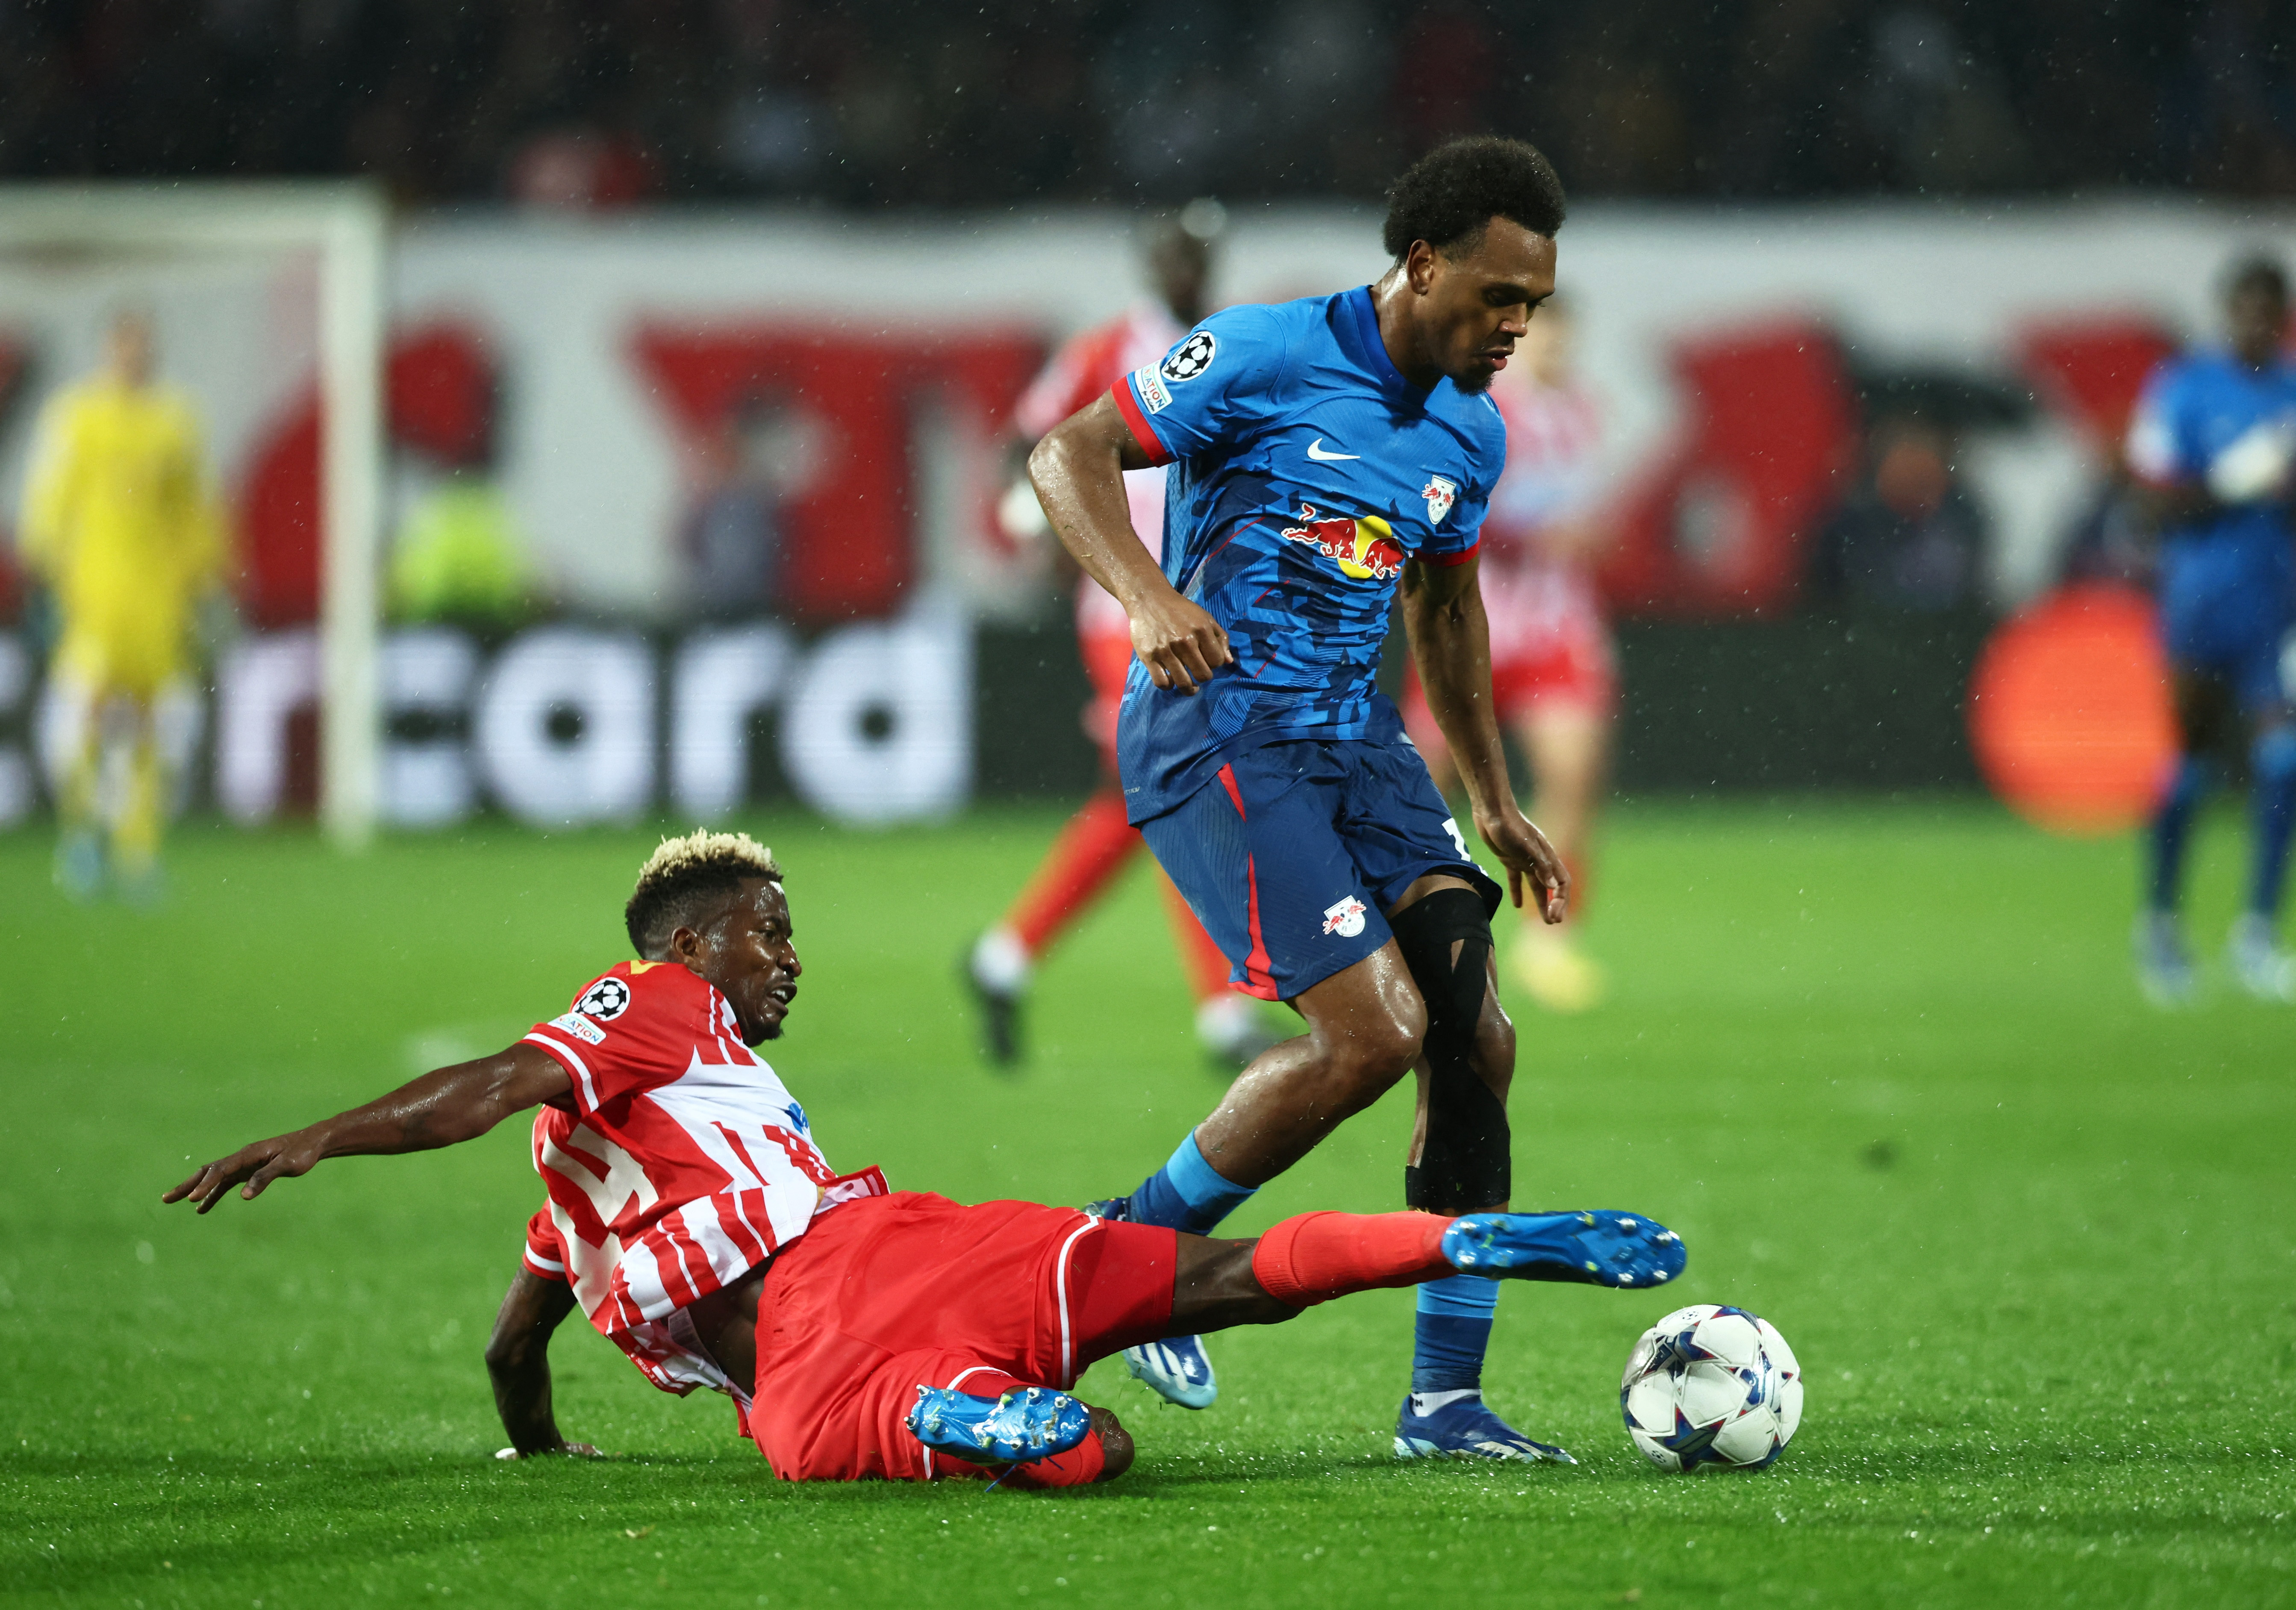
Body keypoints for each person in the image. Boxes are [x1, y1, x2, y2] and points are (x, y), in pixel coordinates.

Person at [163, 829, 1686, 1486]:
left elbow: (515, 1351)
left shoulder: (584, 1211)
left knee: (1096, 1453)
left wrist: (542, 1452)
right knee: (1226, 1286)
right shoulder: (658, 1003)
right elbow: (496, 1078)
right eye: (772, 928)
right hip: (888, 1250)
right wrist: (327, 1133)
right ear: (693, 943)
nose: (789, 958)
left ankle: (972, 1416)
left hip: (817, 1393)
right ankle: (1456, 1238)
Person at [1028, 137, 1585, 1460]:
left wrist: (1495, 797)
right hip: (1217, 732)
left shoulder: (1470, 426)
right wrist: (1148, 597)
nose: (1514, 326)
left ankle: (1444, 1403)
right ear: (1422, 261)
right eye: (1497, 296)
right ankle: (1130, 1251)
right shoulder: (1264, 352)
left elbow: (1445, 608)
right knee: (1370, 1035)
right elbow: (1069, 452)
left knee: (1476, 1038)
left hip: (1355, 744)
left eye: (1535, 305)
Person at [965, 201, 1279, 1073]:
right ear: (1151, 263)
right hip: (1126, 607)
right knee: (1193, 782)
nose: (1184, 268)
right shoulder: (1107, 349)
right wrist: (1031, 517)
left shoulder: (1237, 343)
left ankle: (1005, 953)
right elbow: (1027, 446)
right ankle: (1227, 1011)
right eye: (1172, 254)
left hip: (1210, 600)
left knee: (1142, 800)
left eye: (1197, 254)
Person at [2125, 254, 2296, 1007]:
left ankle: (2259, 936)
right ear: (2226, 312)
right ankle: (2160, 927)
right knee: (2191, 762)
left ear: (2287, 319)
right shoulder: (2183, 389)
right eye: (2245, 307)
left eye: (2270, 310)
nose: (2258, 322)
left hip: (2281, 602)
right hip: (2202, 602)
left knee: (2288, 757)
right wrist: (2234, 480)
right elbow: (2152, 505)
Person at [1398, 298, 1617, 1013]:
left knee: (1573, 780)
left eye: (1565, 333)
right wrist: (1534, 535)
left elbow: (1591, 515)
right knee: (1421, 788)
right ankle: (1398, 926)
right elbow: (1455, 511)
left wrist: (1587, 537)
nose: (1553, 346)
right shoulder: (1483, 410)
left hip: (1561, 630)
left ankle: (1549, 941)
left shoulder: (1588, 412)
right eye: (1543, 332)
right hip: (1478, 626)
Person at [17, 307, 226, 901]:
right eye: (125, 347)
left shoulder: (176, 422)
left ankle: (138, 849)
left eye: (143, 348)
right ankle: (82, 834)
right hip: (93, 595)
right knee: (86, 714)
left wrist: (205, 580)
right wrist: (46, 576)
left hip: (157, 600)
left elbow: (196, 511)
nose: (135, 358)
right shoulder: (77, 418)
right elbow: (48, 502)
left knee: (153, 726)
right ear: (108, 351)